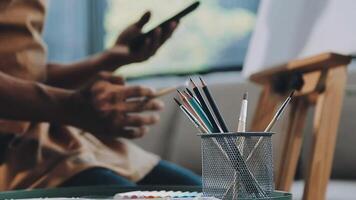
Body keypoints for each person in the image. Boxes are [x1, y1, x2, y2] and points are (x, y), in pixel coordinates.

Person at [0, 0, 201, 190]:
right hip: (14, 159)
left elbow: (24, 74)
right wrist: (72, 108)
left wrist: (109, 58)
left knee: (209, 193)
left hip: (53, 140)